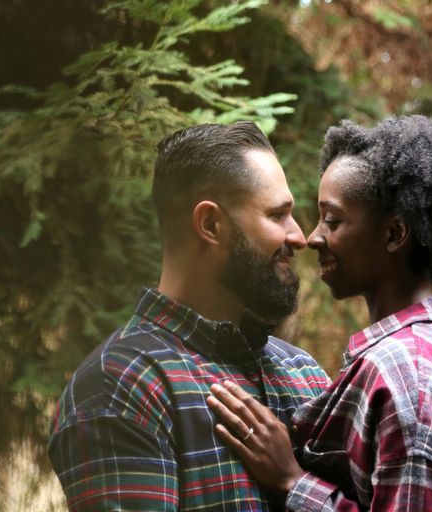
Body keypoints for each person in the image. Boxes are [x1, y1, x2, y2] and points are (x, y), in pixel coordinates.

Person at [207, 115, 432, 511]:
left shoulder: (406, 373)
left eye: (333, 220)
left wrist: (293, 480)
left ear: (394, 234)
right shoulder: (423, 353)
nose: (312, 238)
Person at [47, 121, 331, 511]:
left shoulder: (305, 374)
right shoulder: (119, 388)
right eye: (277, 215)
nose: (299, 237)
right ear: (211, 224)